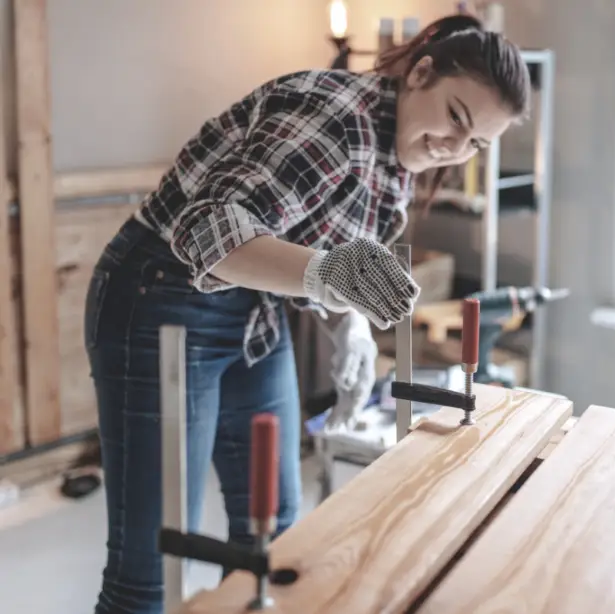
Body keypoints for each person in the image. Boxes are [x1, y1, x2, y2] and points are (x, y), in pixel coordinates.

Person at [83, 13, 531, 613]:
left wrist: (349, 324)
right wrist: (324, 276)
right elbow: (206, 228)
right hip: (157, 294)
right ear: (421, 73)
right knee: (154, 569)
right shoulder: (335, 120)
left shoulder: (399, 154)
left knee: (276, 538)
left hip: (252, 309)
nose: (453, 147)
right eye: (455, 117)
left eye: (475, 142)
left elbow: (326, 240)